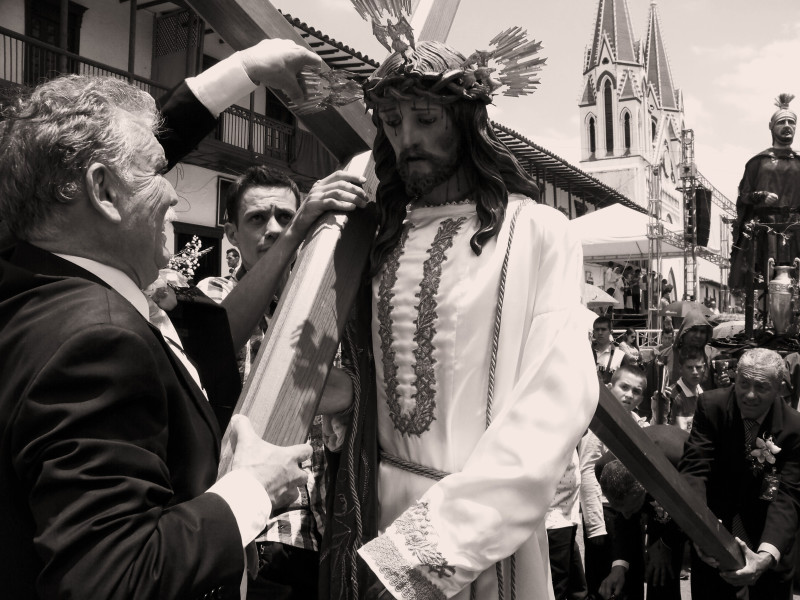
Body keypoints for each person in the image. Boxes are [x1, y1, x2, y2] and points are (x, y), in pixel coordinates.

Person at [0, 39, 362, 598]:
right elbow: (112, 576)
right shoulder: (98, 337)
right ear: (102, 191)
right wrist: (251, 490)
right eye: (154, 170)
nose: (173, 191)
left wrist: (249, 67)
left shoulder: (27, 289)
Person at [319, 41, 598, 600]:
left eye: (425, 118)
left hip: (481, 533)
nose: (408, 140)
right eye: (393, 123)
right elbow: (379, 386)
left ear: (469, 121)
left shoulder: (540, 231)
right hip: (375, 515)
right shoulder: (374, 239)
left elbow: (557, 397)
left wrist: (428, 553)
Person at [196, 165, 364, 600]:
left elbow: (354, 394)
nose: (273, 228)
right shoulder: (209, 299)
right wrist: (336, 389)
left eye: (287, 217)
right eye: (257, 218)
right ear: (230, 233)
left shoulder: (328, 305)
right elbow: (230, 370)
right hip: (250, 537)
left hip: (323, 532)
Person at [679, 348, 800, 600]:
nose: (749, 395)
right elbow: (695, 468)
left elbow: (786, 495)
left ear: (779, 388)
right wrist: (702, 531)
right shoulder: (711, 407)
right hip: (714, 546)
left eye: (761, 387)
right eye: (743, 383)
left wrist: (764, 557)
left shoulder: (793, 428)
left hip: (767, 548)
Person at [579, 364, 650, 599]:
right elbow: (588, 470)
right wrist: (595, 523)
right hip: (605, 512)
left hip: (632, 512)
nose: (629, 395)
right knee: (603, 581)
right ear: (610, 388)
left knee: (631, 580)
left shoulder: (640, 425)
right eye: (624, 387)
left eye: (636, 391)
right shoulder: (599, 425)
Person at [597, 425, 689, 600]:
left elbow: (693, 505)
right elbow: (624, 518)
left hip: (686, 495)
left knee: (665, 558)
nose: (626, 515)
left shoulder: (679, 458)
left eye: (631, 509)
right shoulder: (603, 467)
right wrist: (619, 565)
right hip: (653, 494)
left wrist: (666, 543)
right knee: (657, 569)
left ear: (644, 488)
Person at [730, 94, 800, 292]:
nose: (787, 125)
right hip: (766, 229)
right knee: (764, 281)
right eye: (782, 121)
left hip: (797, 229)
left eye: (791, 122)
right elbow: (743, 196)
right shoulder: (758, 162)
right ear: (771, 126)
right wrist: (759, 195)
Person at [664, 346, 705, 432]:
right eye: (689, 368)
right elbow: (663, 431)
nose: (694, 372)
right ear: (680, 368)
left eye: (698, 367)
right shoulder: (672, 395)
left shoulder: (703, 394)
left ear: (704, 367)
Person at [593, 316, 629, 384]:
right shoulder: (586, 354)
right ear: (593, 332)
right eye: (597, 329)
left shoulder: (621, 356)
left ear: (611, 332)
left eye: (603, 329)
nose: (600, 332)